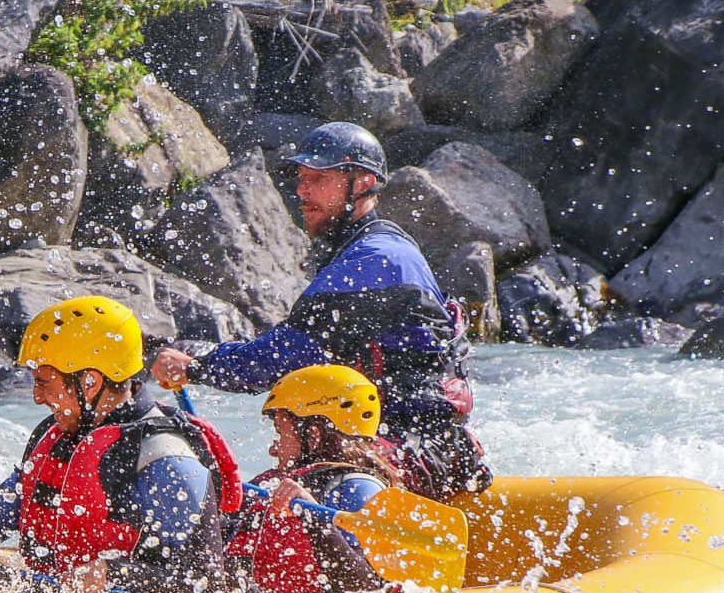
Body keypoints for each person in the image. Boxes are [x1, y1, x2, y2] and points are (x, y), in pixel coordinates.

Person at [149, 121, 491, 500]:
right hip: (400, 445)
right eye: (301, 177)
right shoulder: (360, 251)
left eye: (317, 178)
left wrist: (197, 365)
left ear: (362, 182)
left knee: (285, 490)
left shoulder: (380, 259)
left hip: (418, 451)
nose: (301, 190)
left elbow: (286, 355)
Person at [0, 296, 242, 593]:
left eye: (43, 381)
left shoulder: (165, 456)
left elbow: (205, 586)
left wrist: (113, 574)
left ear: (90, 382)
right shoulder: (59, 435)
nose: (37, 397)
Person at [226, 365, 401, 593]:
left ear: (314, 436)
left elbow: (370, 591)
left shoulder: (358, 489)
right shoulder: (276, 482)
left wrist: (317, 519)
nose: (272, 449)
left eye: (280, 433)